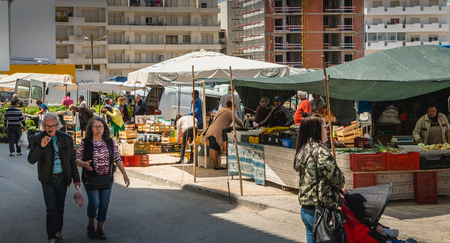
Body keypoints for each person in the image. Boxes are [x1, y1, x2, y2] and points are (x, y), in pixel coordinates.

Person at [28, 112, 81, 243]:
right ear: (43, 126)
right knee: (51, 208)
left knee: (60, 207)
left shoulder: (66, 138)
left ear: (57, 125)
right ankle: (51, 236)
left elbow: (72, 160)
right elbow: (31, 159)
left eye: (52, 126)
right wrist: (41, 146)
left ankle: (58, 231)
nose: (50, 128)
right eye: (47, 126)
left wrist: (76, 180)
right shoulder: (37, 138)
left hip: (63, 178)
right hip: (48, 179)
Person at [76, 117, 130, 240]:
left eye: (101, 126)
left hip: (107, 179)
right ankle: (91, 225)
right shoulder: (86, 142)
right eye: (96, 126)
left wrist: (125, 174)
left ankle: (99, 229)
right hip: (90, 178)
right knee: (95, 202)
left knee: (104, 205)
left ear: (104, 128)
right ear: (91, 128)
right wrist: (83, 164)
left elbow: (117, 158)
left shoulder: (109, 142)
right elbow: (77, 159)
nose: (98, 129)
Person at [293, 113, 345, 243]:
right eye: (325, 127)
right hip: (320, 211)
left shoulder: (303, 149)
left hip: (306, 209)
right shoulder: (320, 152)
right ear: (317, 130)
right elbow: (338, 180)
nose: (327, 130)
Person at [205, 101, 244, 170]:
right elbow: (239, 122)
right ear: (232, 107)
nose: (234, 110)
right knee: (215, 149)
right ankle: (217, 166)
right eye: (234, 109)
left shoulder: (220, 110)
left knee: (211, 148)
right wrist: (243, 125)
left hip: (210, 130)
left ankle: (215, 165)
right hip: (217, 131)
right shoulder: (230, 113)